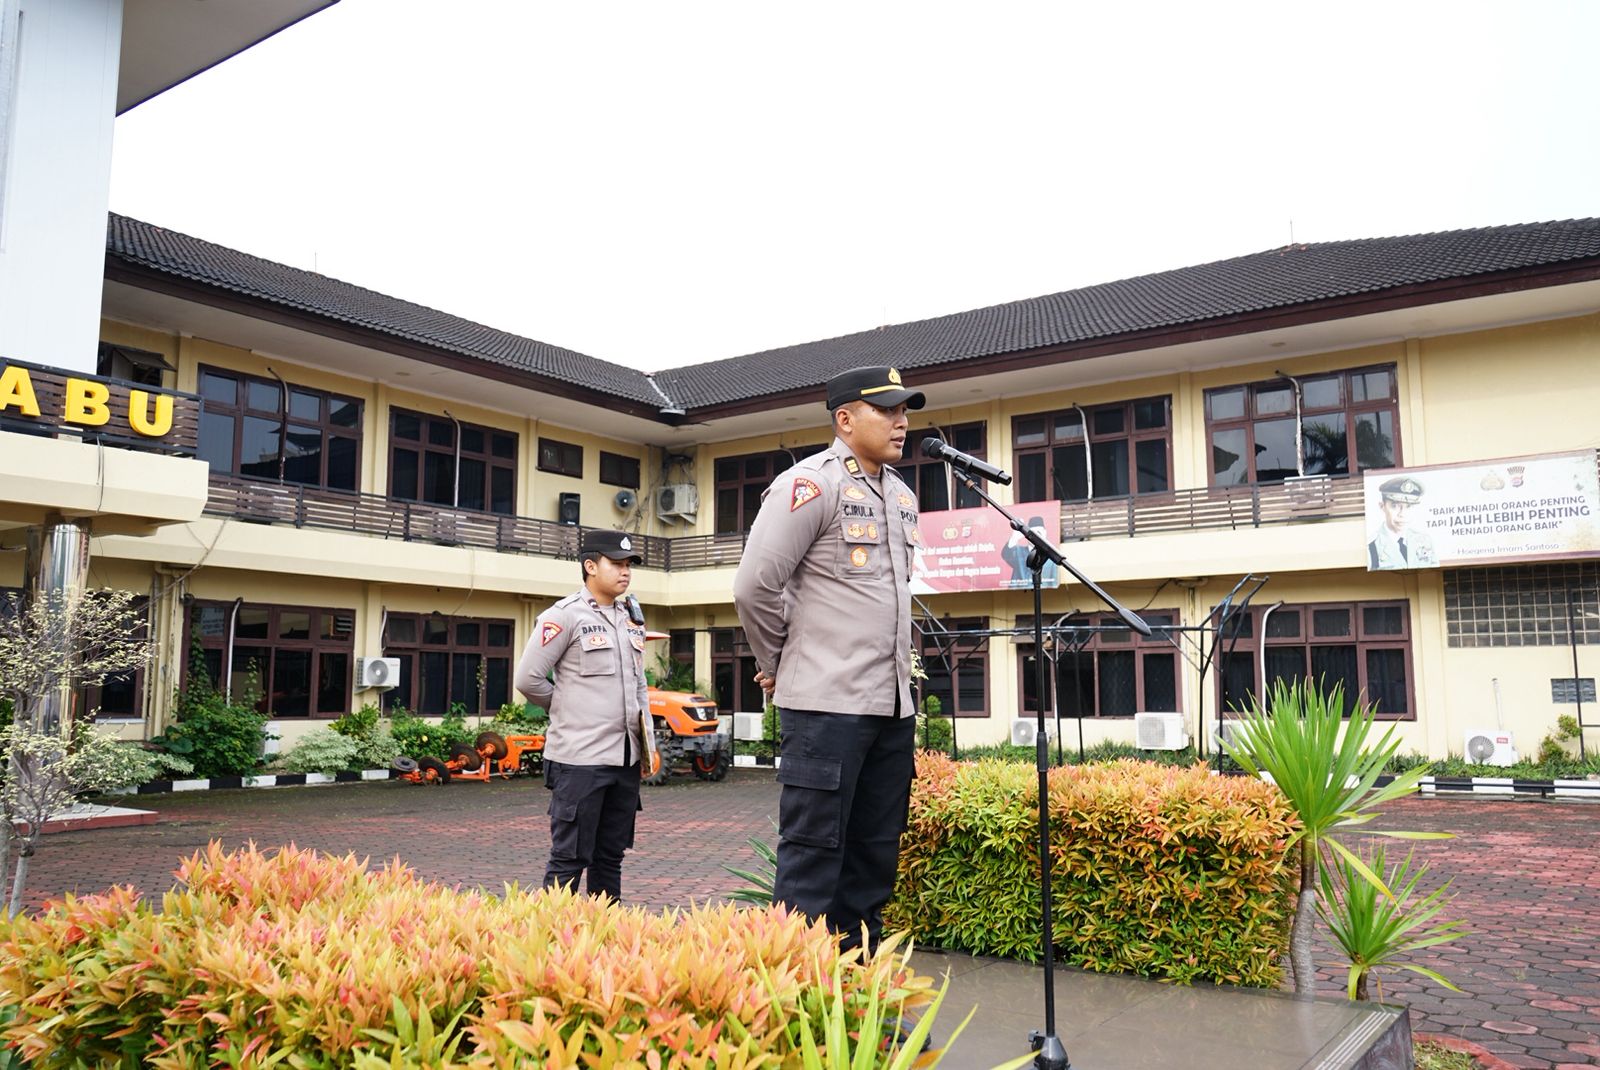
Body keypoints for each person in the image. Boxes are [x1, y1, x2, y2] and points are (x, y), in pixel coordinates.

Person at [732, 365, 925, 953]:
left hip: (891, 708)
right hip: (825, 707)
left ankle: (858, 992)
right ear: (845, 419)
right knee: (811, 866)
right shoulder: (808, 486)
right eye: (887, 410)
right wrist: (779, 662)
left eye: (904, 410)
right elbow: (754, 587)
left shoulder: (902, 496)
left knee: (873, 862)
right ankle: (797, 996)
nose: (901, 421)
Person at [514, 528, 649, 902]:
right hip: (580, 762)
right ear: (590, 566)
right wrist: (565, 707)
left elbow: (639, 685)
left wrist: (647, 748)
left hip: (624, 761)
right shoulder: (565, 616)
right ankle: (554, 930)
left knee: (610, 858)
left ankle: (605, 931)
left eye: (629, 564)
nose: (625, 571)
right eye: (616, 564)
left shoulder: (630, 618)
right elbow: (528, 679)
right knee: (569, 859)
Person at [1368, 475, 1439, 570]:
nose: (1402, 514)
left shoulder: (1425, 541)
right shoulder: (1372, 547)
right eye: (1395, 506)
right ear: (1382, 506)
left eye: (1408, 506)